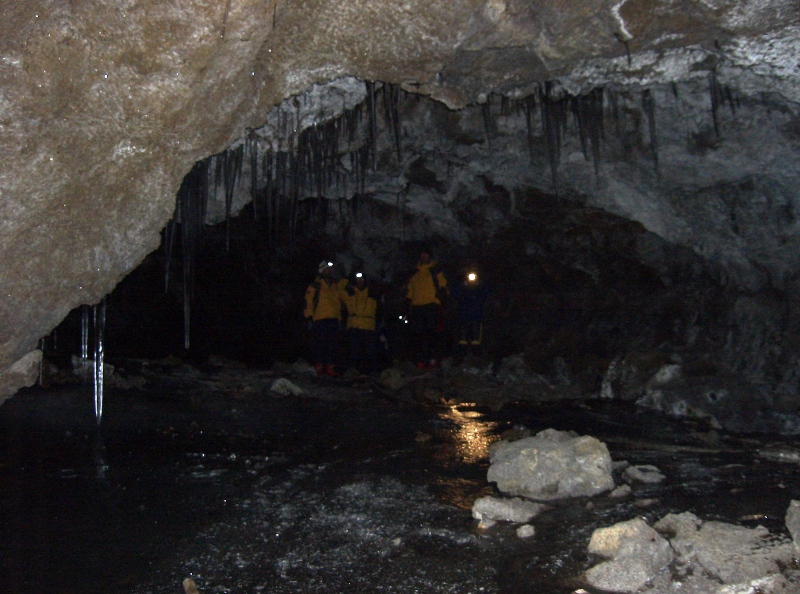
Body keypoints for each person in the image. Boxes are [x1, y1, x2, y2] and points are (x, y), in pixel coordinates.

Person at [405, 247, 447, 369]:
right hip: (417, 306)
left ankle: (433, 359)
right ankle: (421, 359)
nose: (423, 257)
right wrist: (408, 300)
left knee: (431, 332)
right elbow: (410, 290)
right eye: (422, 255)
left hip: (431, 305)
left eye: (426, 255)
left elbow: (443, 285)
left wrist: (443, 294)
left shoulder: (435, 271)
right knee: (419, 334)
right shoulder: (415, 273)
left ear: (430, 257)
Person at [304, 260, 348, 377]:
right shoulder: (315, 285)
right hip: (320, 318)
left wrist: (339, 318)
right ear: (321, 270)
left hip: (333, 318)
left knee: (332, 344)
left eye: (329, 269)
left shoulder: (334, 286)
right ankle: (318, 366)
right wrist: (309, 317)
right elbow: (308, 301)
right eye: (325, 269)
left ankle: (329, 367)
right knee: (319, 343)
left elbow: (340, 302)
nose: (328, 271)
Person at [343, 271, 380, 374]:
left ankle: (372, 373)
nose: (360, 282)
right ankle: (353, 372)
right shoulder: (350, 294)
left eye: (362, 280)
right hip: (354, 325)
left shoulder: (372, 294)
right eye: (358, 280)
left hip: (368, 326)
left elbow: (380, 309)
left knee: (371, 353)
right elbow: (339, 287)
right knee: (354, 352)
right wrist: (347, 278)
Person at [450, 266, 489, 356]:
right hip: (463, 315)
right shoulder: (462, 284)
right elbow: (455, 293)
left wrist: (478, 285)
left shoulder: (481, 285)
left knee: (476, 339)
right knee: (462, 339)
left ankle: (476, 357)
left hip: (476, 316)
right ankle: (461, 357)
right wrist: (462, 284)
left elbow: (485, 293)